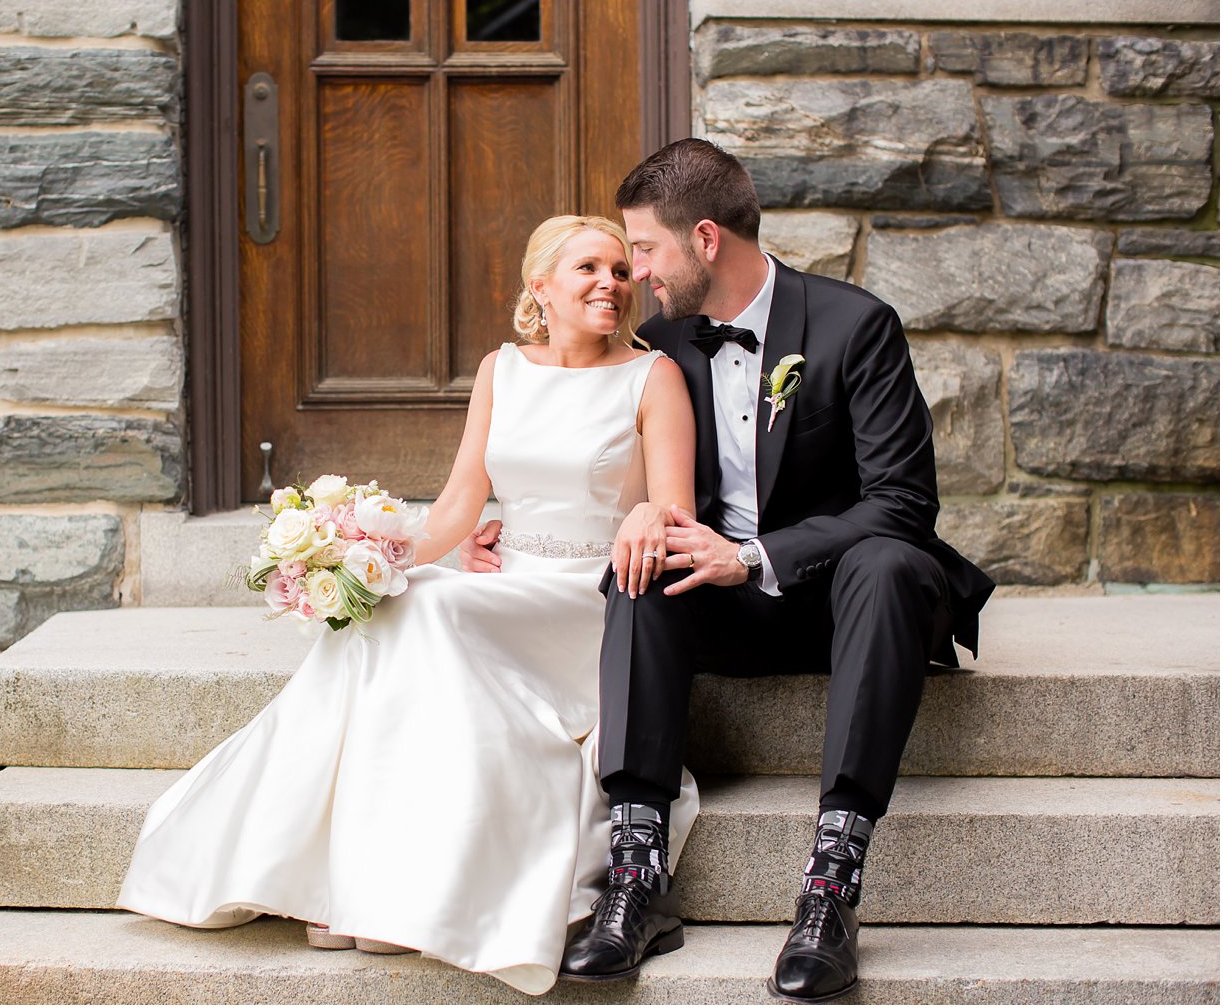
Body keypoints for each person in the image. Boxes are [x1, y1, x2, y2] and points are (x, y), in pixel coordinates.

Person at [463, 140, 996, 1002]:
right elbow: (600, 452)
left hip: (848, 601)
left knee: (892, 562)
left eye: (644, 249)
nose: (633, 272)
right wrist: (508, 521)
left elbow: (903, 502)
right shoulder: (662, 342)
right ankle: (636, 875)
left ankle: (831, 886)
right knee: (640, 561)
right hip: (722, 604)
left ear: (705, 239)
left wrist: (750, 553)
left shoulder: (854, 325)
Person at [117, 215, 704, 996]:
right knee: (396, 604)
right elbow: (461, 505)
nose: (611, 284)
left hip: (588, 599)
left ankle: (386, 893)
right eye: (588, 269)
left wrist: (649, 515)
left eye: (620, 271)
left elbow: (675, 510)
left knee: (432, 611)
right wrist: (362, 562)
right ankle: (347, 879)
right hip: (507, 581)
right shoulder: (502, 371)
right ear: (540, 288)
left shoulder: (651, 376)